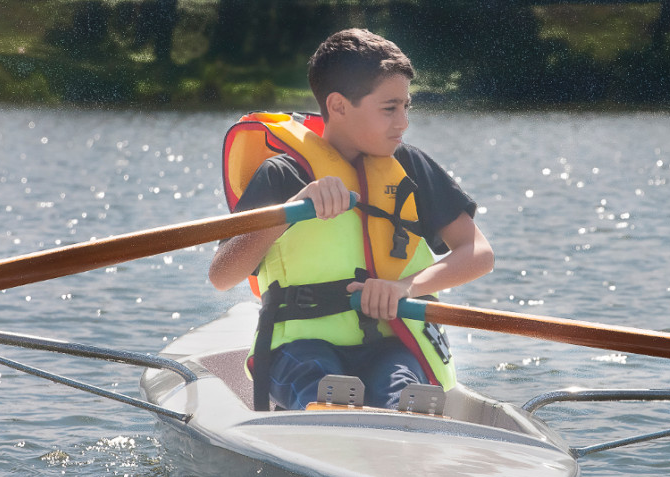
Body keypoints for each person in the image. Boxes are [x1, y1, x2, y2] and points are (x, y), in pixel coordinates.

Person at [209, 28, 493, 411]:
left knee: (400, 392)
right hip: (300, 346)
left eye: (406, 107)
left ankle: (406, 433)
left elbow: (477, 253)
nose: (403, 122)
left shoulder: (410, 167)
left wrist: (404, 288)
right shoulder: (282, 174)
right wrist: (290, 210)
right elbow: (222, 275)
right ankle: (331, 428)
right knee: (324, 385)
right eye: (389, 109)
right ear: (339, 106)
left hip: (390, 343)